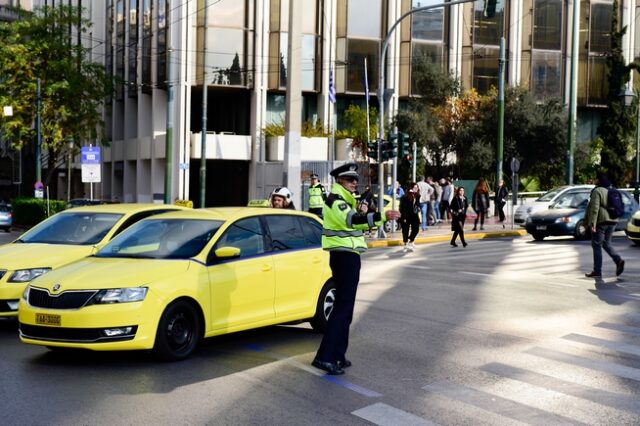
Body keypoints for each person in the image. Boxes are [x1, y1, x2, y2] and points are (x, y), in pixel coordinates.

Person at [312, 162, 400, 375]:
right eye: (350, 179)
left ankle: (338, 355)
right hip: (343, 257)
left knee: (347, 310)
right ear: (340, 180)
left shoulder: (345, 200)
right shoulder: (336, 200)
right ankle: (324, 357)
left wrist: (364, 211)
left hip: (348, 256)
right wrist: (381, 217)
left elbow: (356, 221)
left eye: (355, 179)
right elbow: (353, 222)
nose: (354, 183)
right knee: (342, 309)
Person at [584, 172, 625, 278]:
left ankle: (597, 271)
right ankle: (618, 260)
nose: (594, 181)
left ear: (599, 180)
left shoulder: (597, 191)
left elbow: (595, 208)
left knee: (596, 245)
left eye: (595, 179)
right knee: (606, 243)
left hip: (601, 221)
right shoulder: (612, 189)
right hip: (613, 221)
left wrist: (592, 223)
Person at [399, 182, 421, 252]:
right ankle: (405, 244)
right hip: (406, 215)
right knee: (405, 230)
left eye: (417, 188)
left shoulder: (417, 196)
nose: (416, 189)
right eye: (415, 188)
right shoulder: (405, 196)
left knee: (416, 229)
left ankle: (411, 241)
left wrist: (418, 206)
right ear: (411, 188)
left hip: (414, 215)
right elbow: (402, 207)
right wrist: (404, 217)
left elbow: (418, 205)